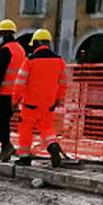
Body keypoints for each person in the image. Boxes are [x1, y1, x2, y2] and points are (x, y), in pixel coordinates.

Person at [14, 29, 67, 168]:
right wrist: (58, 99)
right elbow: (63, 83)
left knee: (26, 129)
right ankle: (53, 145)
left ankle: (24, 157)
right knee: (47, 128)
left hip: (30, 103)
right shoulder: (59, 60)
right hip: (48, 102)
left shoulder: (30, 60)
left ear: (36, 43)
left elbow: (20, 83)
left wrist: (14, 101)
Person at [0, 19, 26, 162]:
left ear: (3, 33)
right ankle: (5, 150)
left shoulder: (5, 50)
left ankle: (7, 146)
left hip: (4, 93)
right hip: (17, 93)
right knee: (5, 122)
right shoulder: (20, 49)